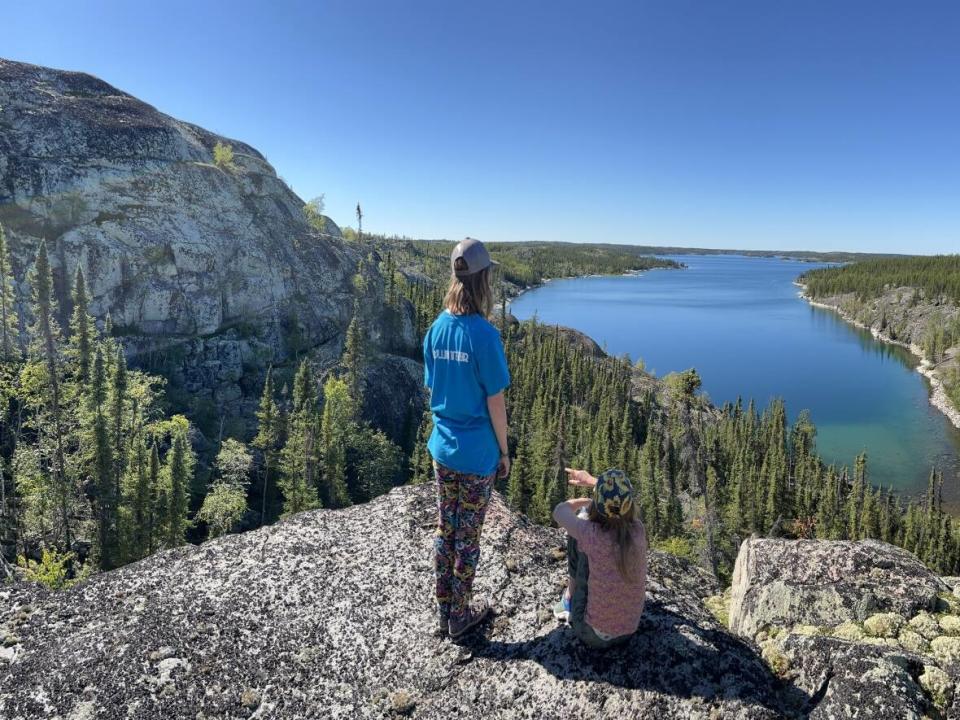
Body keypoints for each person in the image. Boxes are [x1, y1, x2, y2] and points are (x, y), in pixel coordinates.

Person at [423, 237, 511, 639]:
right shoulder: (484, 336)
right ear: (483, 280)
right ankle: (460, 616)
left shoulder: (435, 331)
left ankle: (444, 610)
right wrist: (504, 453)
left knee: (446, 530)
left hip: (443, 448)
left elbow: (435, 388)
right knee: (468, 538)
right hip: (476, 456)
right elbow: (496, 404)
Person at [552, 467, 648, 649]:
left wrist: (586, 501)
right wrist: (592, 482)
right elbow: (622, 498)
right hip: (629, 630)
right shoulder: (637, 529)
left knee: (579, 525)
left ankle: (569, 599)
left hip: (591, 634)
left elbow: (560, 511)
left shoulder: (591, 534)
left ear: (598, 504)